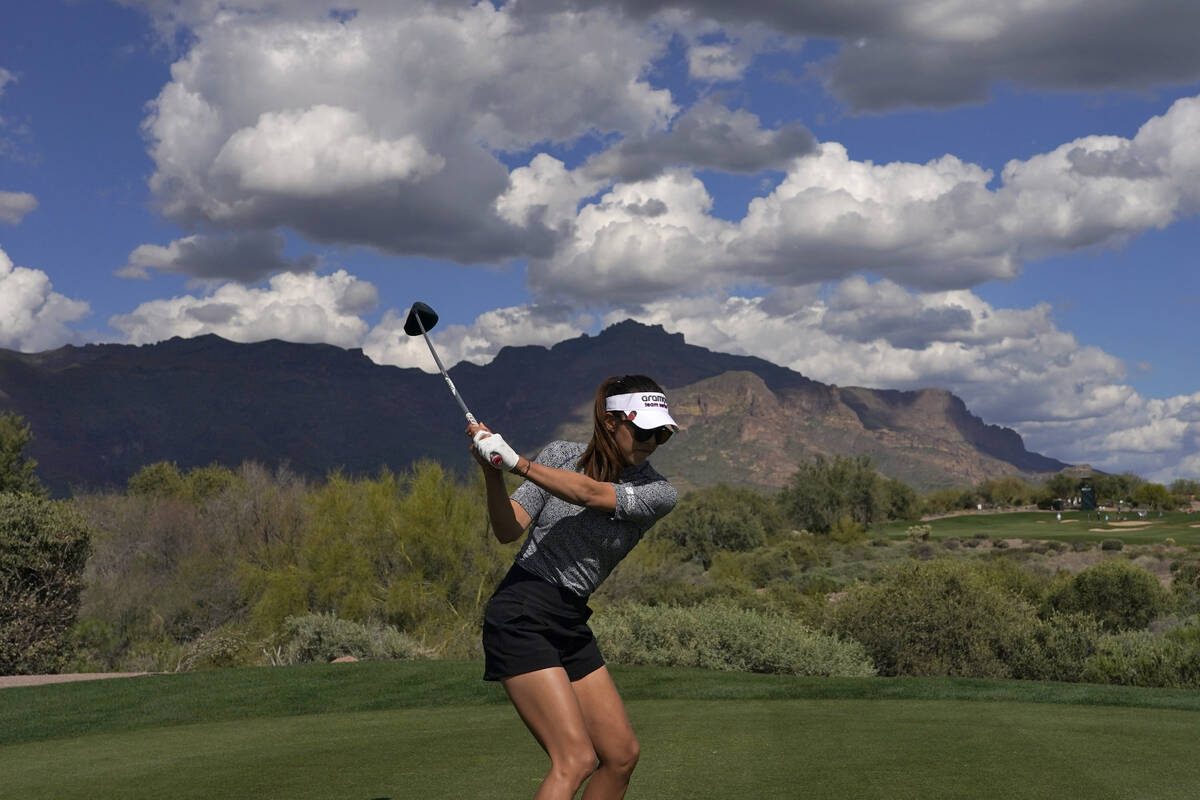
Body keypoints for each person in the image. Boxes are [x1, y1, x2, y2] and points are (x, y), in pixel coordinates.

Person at [467, 374, 679, 800]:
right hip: (521, 611)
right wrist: (493, 471)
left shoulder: (658, 492)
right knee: (575, 759)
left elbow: (588, 494)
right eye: (642, 430)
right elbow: (508, 529)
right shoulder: (561, 455)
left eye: (662, 434)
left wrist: (517, 463)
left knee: (620, 756)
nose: (651, 442)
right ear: (609, 420)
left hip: (570, 617)